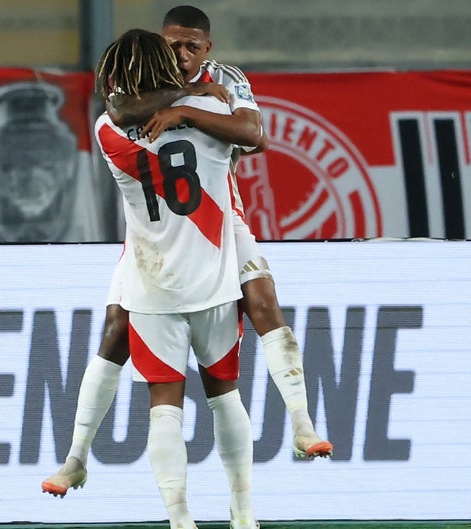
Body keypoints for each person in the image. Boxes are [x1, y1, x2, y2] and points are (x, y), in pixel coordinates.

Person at [42, 4, 331, 500]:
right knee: (115, 330)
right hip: (153, 235)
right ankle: (76, 458)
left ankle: (303, 425)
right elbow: (118, 110)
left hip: (220, 217)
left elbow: (254, 136)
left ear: (207, 48)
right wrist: (184, 97)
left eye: (191, 47)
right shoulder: (143, 77)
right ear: (160, 42)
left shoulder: (227, 79)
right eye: (173, 44)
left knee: (262, 300)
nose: (181, 54)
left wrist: (185, 110)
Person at [93, 28, 257, 529]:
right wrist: (193, 97)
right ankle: (244, 513)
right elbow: (252, 136)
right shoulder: (210, 112)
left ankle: (179, 519)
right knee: (225, 397)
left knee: (164, 407)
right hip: (212, 278)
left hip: (154, 285)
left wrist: (175, 99)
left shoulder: (109, 129)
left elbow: (120, 107)